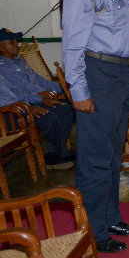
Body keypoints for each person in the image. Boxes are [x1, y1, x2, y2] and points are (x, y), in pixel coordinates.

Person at [61, 0, 129, 254]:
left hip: (120, 76)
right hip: (99, 75)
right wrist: (79, 93)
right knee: (95, 157)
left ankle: (110, 218)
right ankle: (92, 231)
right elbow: (72, 46)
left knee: (112, 153)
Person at [0, 28, 75, 168]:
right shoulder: (3, 68)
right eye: (12, 42)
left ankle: (54, 154)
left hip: (26, 104)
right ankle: (61, 153)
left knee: (67, 109)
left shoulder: (19, 61)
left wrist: (63, 90)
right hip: (11, 115)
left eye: (16, 41)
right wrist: (28, 107)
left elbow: (26, 87)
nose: (17, 44)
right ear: (1, 48)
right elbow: (21, 90)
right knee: (50, 117)